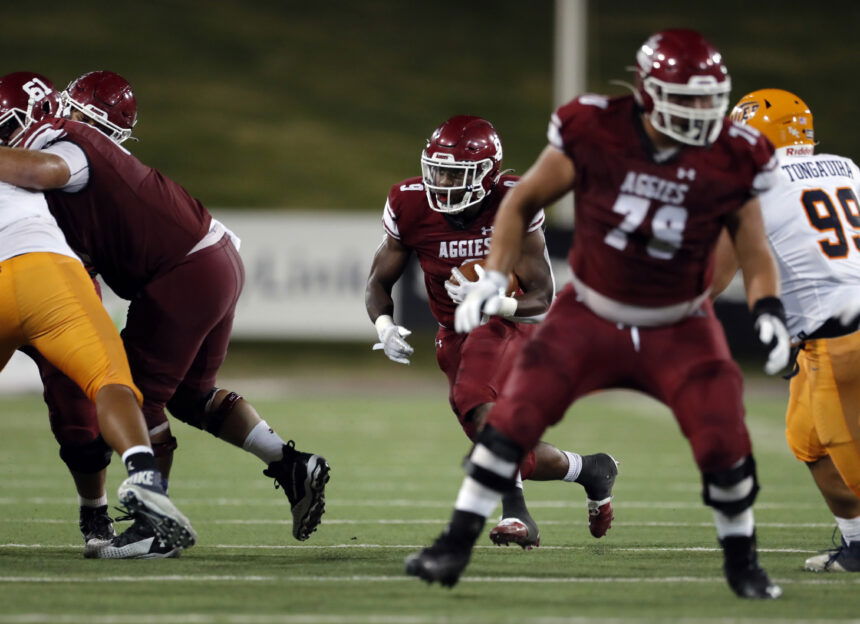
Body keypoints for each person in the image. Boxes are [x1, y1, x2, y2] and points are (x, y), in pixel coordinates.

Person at [404, 29, 791, 599]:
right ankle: (454, 544)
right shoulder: (594, 127)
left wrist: (770, 309)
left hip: (680, 318)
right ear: (647, 91)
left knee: (723, 438)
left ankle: (744, 562)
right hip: (592, 311)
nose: (702, 113)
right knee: (510, 424)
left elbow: (753, 247)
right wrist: (493, 276)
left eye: (710, 100)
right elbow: (523, 199)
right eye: (687, 99)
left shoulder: (736, 151)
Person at [0, 70, 330, 558]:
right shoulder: (83, 153)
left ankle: (153, 527)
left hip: (184, 270)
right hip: (211, 259)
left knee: (138, 393)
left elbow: (48, 169)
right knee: (191, 396)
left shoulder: (62, 138)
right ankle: (289, 463)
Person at [365, 115, 618, 548]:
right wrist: (384, 323)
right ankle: (589, 469)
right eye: (437, 170)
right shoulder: (409, 202)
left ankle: (517, 517)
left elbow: (541, 298)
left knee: (478, 405)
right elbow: (378, 281)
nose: (442, 182)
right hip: (454, 333)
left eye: (455, 174)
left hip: (509, 323)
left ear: (486, 175)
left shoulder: (516, 199)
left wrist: (495, 301)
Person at [0, 172, 196, 555]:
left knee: (78, 419)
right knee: (110, 381)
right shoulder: (52, 153)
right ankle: (143, 478)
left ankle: (95, 511)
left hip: (37, 271)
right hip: (51, 277)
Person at [714, 89, 860, 572]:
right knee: (808, 439)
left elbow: (711, 281)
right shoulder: (847, 168)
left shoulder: (753, 189)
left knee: (850, 458)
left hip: (839, 335)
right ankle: (856, 543)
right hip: (824, 334)